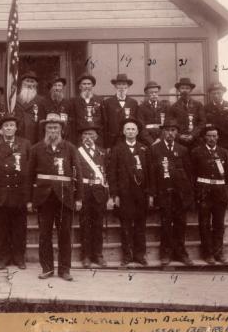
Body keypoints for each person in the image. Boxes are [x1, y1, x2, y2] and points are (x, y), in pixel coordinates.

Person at [29, 113, 83, 281]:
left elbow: (78, 174)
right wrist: (30, 200)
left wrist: (79, 197)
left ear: (61, 130)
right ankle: (47, 268)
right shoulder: (36, 148)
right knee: (45, 235)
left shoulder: (70, 148)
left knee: (65, 234)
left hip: (64, 198)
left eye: (56, 128)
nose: (53, 131)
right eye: (50, 128)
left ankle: (64, 270)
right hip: (44, 198)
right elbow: (29, 175)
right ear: (45, 129)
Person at [0, 114, 31, 269]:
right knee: (3, 227)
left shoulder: (25, 144)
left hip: (20, 191)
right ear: (1, 129)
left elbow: (30, 168)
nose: (9, 128)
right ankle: (3, 258)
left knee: (20, 227)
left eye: (11, 125)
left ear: (16, 128)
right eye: (6, 126)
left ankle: (19, 257)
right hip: (2, 190)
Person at [108, 117, 153, 267]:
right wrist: (115, 195)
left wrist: (150, 194)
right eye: (127, 129)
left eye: (133, 129)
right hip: (124, 194)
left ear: (137, 131)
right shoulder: (117, 149)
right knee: (125, 226)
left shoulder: (144, 149)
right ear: (123, 131)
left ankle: (140, 255)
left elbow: (149, 173)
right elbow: (112, 173)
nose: (130, 131)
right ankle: (127, 255)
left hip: (141, 194)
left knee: (140, 226)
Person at [150, 119, 194, 266]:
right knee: (166, 224)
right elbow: (152, 174)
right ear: (163, 132)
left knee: (181, 224)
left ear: (177, 133)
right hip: (164, 193)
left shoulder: (182, 150)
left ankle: (181, 253)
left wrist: (188, 194)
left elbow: (189, 173)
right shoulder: (155, 149)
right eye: (167, 130)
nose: (170, 133)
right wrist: (154, 193)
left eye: (173, 130)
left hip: (180, 194)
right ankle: (166, 253)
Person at [190, 125, 228, 265]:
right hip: (204, 192)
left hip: (220, 192)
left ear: (218, 137)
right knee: (204, 224)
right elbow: (192, 175)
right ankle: (207, 254)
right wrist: (194, 193)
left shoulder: (223, 152)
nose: (212, 138)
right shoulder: (197, 152)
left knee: (219, 224)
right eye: (209, 136)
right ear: (204, 137)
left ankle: (219, 253)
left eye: (214, 136)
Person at [76, 125, 114, 268]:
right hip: (84, 191)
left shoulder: (103, 152)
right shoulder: (76, 152)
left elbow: (108, 175)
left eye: (91, 134)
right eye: (85, 134)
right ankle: (85, 255)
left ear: (96, 137)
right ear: (81, 137)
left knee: (98, 225)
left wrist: (109, 196)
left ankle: (98, 255)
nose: (88, 137)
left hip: (99, 192)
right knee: (85, 225)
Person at [167, 77, 206, 149]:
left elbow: (202, 123)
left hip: (195, 141)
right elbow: (171, 125)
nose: (185, 90)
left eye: (187, 88)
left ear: (191, 90)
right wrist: (179, 136)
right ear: (179, 90)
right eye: (182, 88)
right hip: (180, 142)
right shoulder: (173, 107)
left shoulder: (198, 105)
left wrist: (193, 135)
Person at [103, 74, 139, 149]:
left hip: (129, 139)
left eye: (124, 84)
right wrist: (107, 145)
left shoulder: (133, 103)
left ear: (128, 86)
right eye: (119, 84)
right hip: (112, 141)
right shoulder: (107, 102)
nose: (121, 87)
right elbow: (105, 123)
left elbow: (137, 122)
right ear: (115, 86)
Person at [71, 73, 105, 148]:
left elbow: (103, 120)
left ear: (92, 85)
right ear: (80, 86)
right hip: (80, 137)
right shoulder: (74, 101)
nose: (87, 86)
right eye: (84, 84)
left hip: (96, 137)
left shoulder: (100, 100)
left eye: (89, 84)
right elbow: (72, 122)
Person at [14, 71, 47, 145]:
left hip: (34, 134)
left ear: (36, 84)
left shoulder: (41, 100)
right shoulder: (14, 99)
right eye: (27, 81)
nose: (29, 84)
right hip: (18, 133)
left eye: (32, 82)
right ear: (22, 83)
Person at [137, 80, 170, 146]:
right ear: (146, 94)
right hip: (147, 141)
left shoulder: (165, 107)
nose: (154, 94)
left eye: (156, 92)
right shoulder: (141, 107)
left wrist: (160, 139)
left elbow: (167, 125)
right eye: (151, 93)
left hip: (162, 139)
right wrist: (151, 141)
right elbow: (141, 127)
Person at [44, 75, 73, 141]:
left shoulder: (68, 104)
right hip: (48, 138)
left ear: (63, 88)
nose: (57, 88)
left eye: (59, 85)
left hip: (65, 138)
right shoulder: (44, 103)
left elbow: (71, 124)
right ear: (51, 88)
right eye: (54, 85)